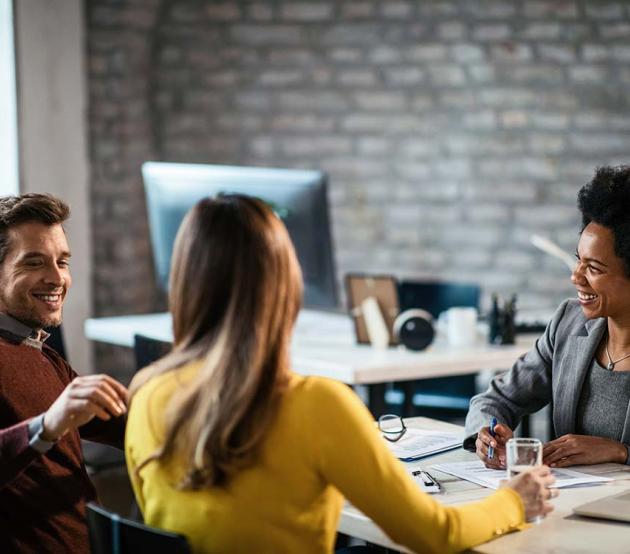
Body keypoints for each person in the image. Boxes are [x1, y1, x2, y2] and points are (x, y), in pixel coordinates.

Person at [126, 194, 555, 554]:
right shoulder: (317, 405)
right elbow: (434, 535)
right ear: (285, 287)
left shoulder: (146, 392)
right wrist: (512, 502)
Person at [466, 165, 630, 470]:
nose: (576, 277)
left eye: (593, 268)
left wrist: (620, 451)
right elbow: (496, 399)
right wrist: (487, 432)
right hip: (566, 505)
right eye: (579, 260)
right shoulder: (569, 323)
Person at [0, 193, 129, 553]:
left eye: (62, 262)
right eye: (34, 263)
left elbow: (120, 422)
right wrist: (47, 425)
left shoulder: (38, 351)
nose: (57, 278)